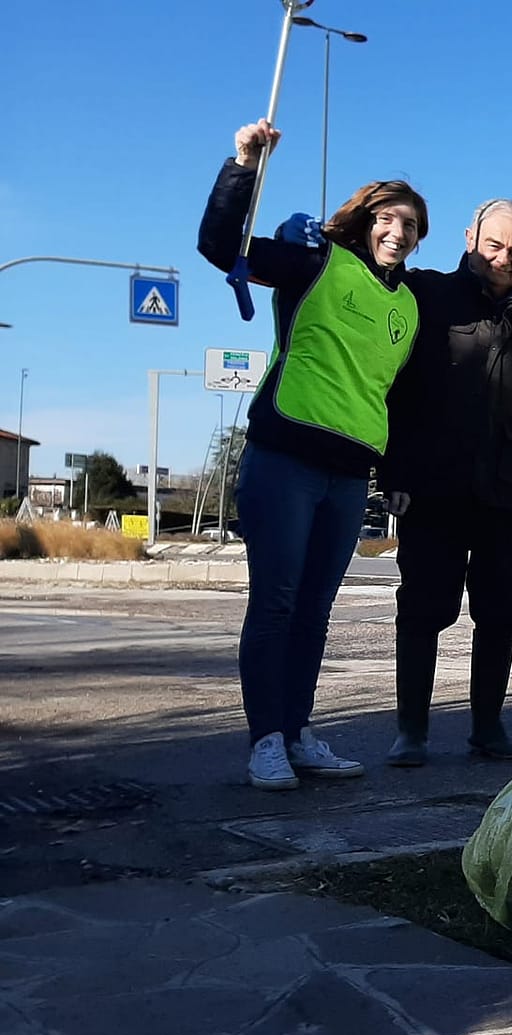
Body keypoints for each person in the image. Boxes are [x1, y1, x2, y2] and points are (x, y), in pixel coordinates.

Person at [196, 119, 427, 791]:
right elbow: (220, 246)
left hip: (352, 473)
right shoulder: (317, 262)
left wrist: (400, 477)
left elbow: (396, 399)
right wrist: (244, 166)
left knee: (316, 611)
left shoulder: (408, 306)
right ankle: (264, 738)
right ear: (365, 220)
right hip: (284, 458)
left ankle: (298, 732)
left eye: (411, 225)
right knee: (275, 603)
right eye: (388, 218)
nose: (399, 232)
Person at [379, 200, 512, 767]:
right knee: (424, 610)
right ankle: (412, 732)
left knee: (500, 613)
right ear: (471, 236)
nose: (504, 258)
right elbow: (392, 391)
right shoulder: (426, 297)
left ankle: (487, 727)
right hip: (431, 489)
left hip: (503, 494)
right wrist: (393, 471)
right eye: (495, 245)